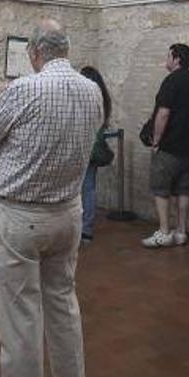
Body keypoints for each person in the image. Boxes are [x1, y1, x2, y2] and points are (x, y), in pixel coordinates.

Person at [0, 19, 102, 377]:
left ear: (35, 53)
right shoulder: (92, 91)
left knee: (21, 319)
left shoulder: (23, 89)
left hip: (22, 217)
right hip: (68, 213)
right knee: (63, 307)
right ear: (65, 49)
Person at [141, 43, 189, 248]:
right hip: (188, 147)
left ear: (177, 59)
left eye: (169, 56)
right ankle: (181, 231)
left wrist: (156, 141)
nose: (166, 59)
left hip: (169, 147)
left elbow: (163, 113)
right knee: (182, 190)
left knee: (161, 189)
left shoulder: (171, 81)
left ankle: (165, 231)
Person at [79, 65, 112, 243]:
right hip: (94, 148)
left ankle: (81, 227)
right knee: (89, 188)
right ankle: (87, 229)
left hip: (82, 148)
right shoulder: (102, 98)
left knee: (80, 190)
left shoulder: (84, 98)